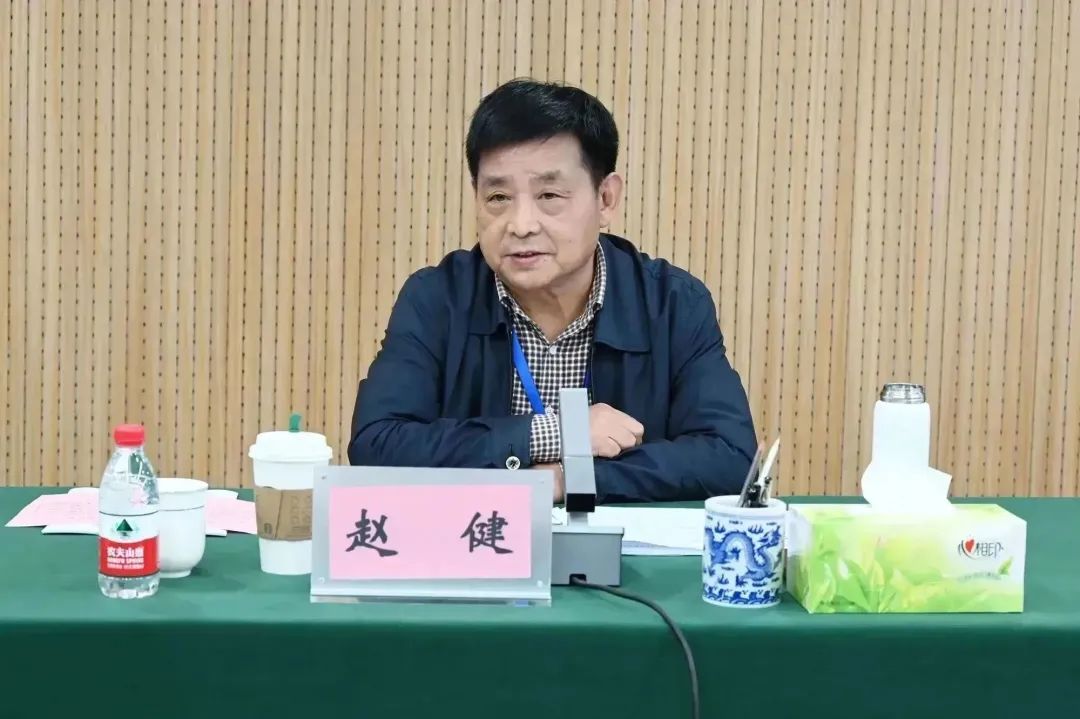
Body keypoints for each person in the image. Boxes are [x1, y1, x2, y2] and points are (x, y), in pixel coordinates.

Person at [348, 78, 757, 504]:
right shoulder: (437, 299)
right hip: (480, 541)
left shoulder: (671, 304)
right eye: (498, 197)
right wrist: (558, 433)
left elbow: (729, 457)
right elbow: (377, 444)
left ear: (606, 199)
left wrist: (564, 481)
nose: (521, 224)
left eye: (549, 195)